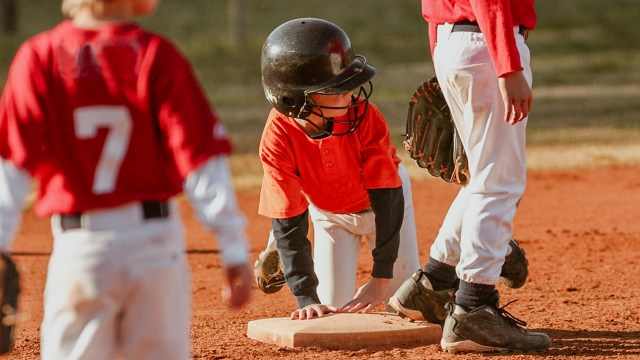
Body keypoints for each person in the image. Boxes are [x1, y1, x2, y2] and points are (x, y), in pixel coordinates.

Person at [0, 0, 252, 358]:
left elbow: (10, 165)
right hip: (154, 246)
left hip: (81, 249)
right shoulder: (154, 53)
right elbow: (200, 159)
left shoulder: (39, 56)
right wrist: (232, 246)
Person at [388, 0, 552, 354]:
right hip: (489, 45)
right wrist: (508, 67)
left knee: (483, 175)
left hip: (454, 44)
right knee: (499, 182)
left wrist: (443, 63)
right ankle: (474, 308)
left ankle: (433, 282)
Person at [257, 18, 421, 320]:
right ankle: (279, 250)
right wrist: (306, 297)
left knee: (407, 304)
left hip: (383, 204)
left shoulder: (366, 117)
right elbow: (289, 219)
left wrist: (380, 279)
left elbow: (387, 196)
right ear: (296, 100)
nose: (352, 95)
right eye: (337, 89)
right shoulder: (277, 137)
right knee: (331, 312)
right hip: (329, 215)